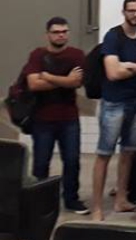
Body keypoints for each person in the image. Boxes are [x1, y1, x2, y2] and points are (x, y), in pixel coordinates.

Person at [92, 0, 136, 221]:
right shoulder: (113, 36)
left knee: (129, 153)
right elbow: (112, 73)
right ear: (124, 12)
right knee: (104, 154)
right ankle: (97, 206)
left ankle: (121, 199)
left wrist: (129, 65)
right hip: (114, 103)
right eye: (132, 10)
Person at [24, 16, 87, 214]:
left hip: (69, 118)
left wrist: (48, 76)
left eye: (64, 32)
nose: (61, 35)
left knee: (72, 161)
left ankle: (71, 199)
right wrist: (65, 80)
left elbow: (77, 82)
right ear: (47, 35)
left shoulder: (76, 55)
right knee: (41, 163)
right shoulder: (37, 55)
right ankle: (39, 202)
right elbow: (34, 84)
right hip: (42, 119)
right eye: (56, 32)